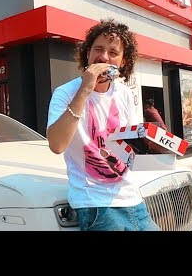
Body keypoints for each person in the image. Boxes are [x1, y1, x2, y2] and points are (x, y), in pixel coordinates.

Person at [46, 18, 160, 231]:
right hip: (95, 203)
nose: (104, 56)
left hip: (132, 198)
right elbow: (56, 144)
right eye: (98, 49)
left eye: (113, 52)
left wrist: (161, 147)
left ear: (123, 62)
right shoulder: (65, 93)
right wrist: (85, 90)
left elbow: (132, 145)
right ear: (87, 53)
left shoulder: (124, 93)